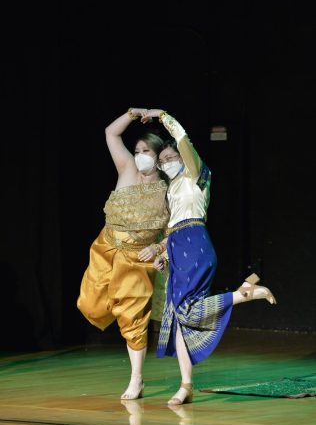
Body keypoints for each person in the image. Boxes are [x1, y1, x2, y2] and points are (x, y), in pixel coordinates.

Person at [141, 109, 277, 406]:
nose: (166, 164)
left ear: (182, 157)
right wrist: (162, 253)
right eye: (161, 162)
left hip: (196, 245)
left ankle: (245, 294)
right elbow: (172, 229)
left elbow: (183, 140)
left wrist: (163, 116)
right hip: (179, 246)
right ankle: (185, 386)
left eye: (170, 158)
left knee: (186, 312)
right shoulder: (172, 188)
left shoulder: (196, 174)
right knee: (179, 318)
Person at [77, 108, 170, 400]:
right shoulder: (127, 168)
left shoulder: (168, 189)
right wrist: (133, 114)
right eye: (137, 149)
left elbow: (173, 232)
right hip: (105, 248)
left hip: (136, 257)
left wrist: (159, 249)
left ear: (158, 155)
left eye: (146, 150)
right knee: (90, 306)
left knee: (132, 317)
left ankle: (136, 379)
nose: (140, 154)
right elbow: (111, 133)